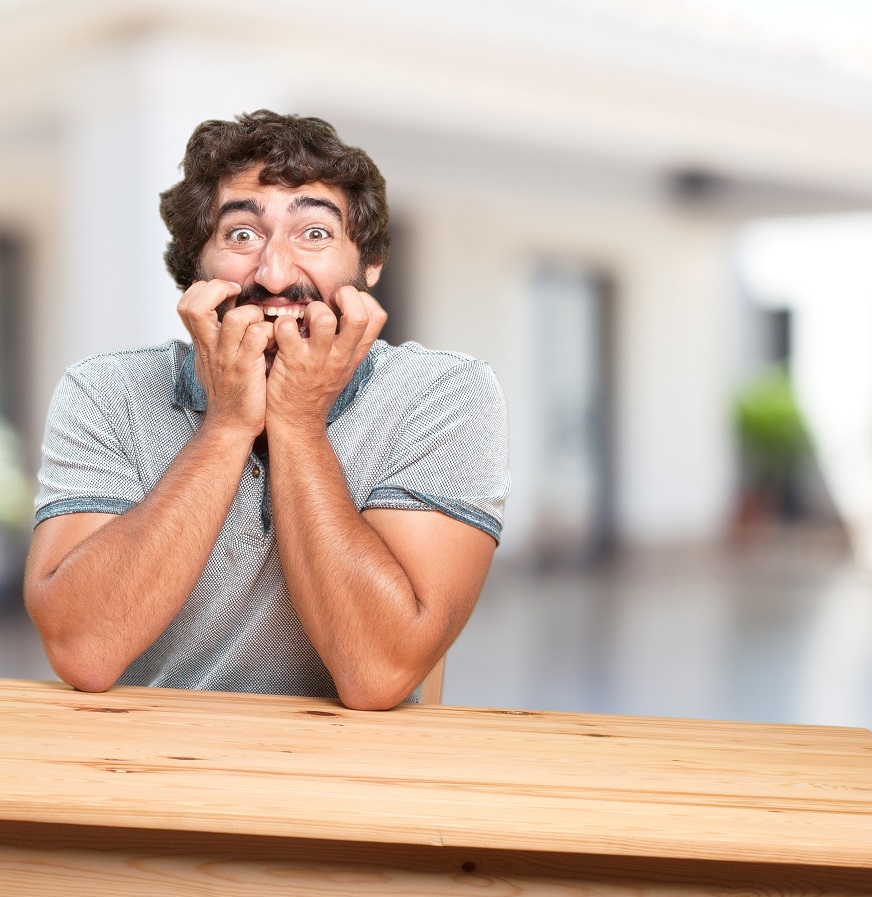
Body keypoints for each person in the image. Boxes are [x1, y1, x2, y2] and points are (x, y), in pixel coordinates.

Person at [24, 111, 509, 710]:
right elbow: (83, 651)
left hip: (351, 781)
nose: (275, 275)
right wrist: (227, 425)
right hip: (138, 771)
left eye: (315, 234)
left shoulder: (443, 394)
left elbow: (379, 671)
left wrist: (297, 423)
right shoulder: (106, 389)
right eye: (241, 235)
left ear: (370, 265)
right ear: (194, 269)